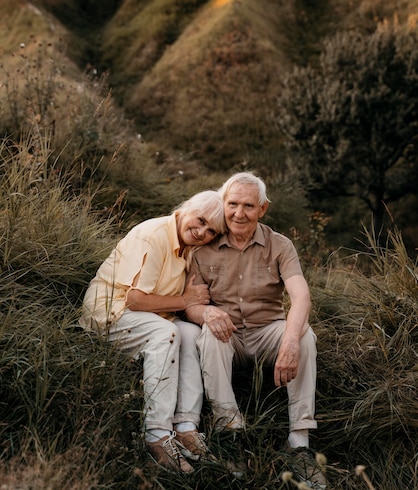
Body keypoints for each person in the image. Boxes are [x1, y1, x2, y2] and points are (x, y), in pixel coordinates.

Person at [185, 172, 326, 489]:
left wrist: (289, 340)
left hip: (268, 331)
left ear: (262, 209)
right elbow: (191, 305)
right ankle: (230, 433)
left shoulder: (280, 245)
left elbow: (300, 295)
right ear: (223, 203)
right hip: (228, 334)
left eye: (248, 205)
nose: (238, 213)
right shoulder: (204, 247)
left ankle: (299, 441)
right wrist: (207, 312)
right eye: (232, 204)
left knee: (305, 336)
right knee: (208, 334)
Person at [79, 190, 226, 474]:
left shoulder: (190, 247)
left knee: (190, 333)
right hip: (109, 313)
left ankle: (185, 427)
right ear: (186, 208)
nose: (202, 232)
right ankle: (157, 435)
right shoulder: (155, 234)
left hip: (149, 316)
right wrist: (187, 300)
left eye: (211, 231)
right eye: (201, 220)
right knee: (165, 333)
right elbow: (135, 299)